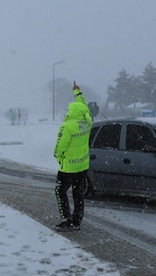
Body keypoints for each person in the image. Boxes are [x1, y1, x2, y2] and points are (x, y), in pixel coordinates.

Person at [53, 81, 92, 231]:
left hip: (68, 167)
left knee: (60, 191)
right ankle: (77, 220)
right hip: (82, 165)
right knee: (78, 193)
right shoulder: (87, 122)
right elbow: (85, 107)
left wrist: (57, 156)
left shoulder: (67, 126)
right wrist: (78, 93)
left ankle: (66, 219)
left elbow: (60, 146)